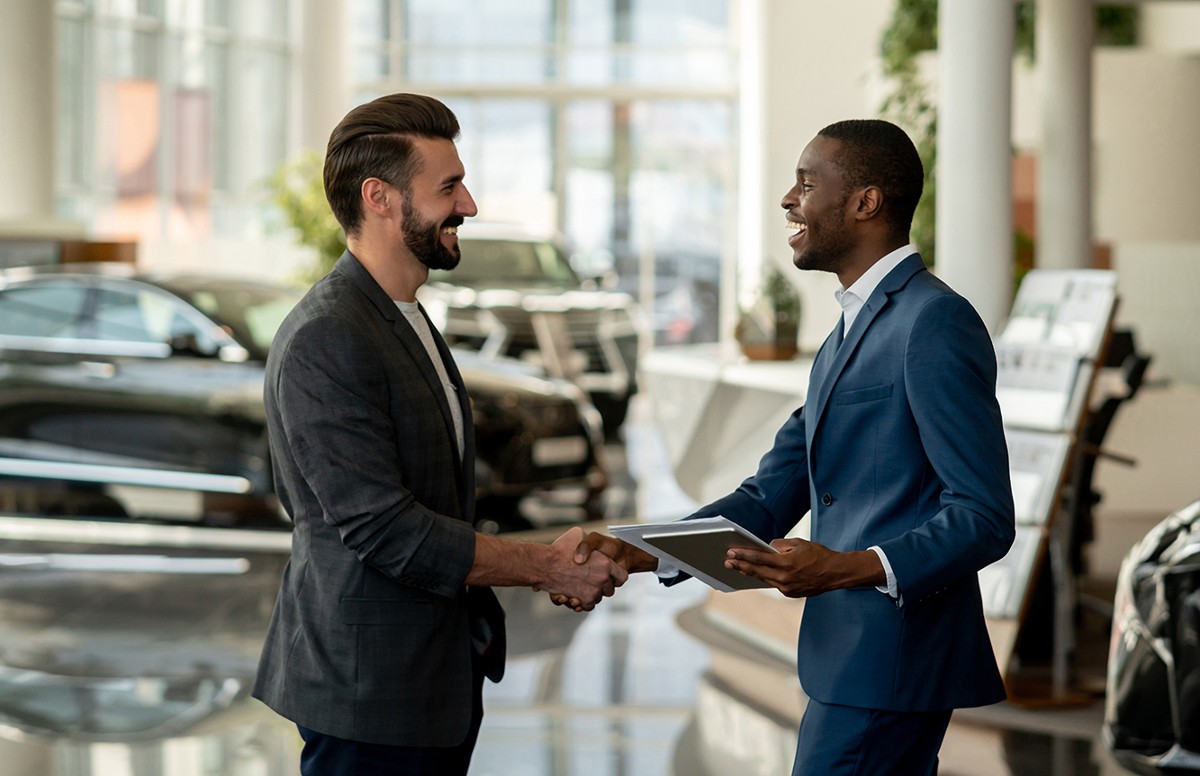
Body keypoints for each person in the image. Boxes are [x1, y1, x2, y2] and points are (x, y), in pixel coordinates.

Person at [565, 119, 1016, 775]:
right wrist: (631, 550)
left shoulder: (933, 321)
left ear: (865, 202)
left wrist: (846, 567)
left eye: (807, 183)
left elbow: (983, 516)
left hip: (892, 661)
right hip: (851, 664)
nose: (787, 198)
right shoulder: (848, 329)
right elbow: (768, 497)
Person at [252, 92, 627, 776]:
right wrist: (547, 565)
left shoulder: (406, 316)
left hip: (431, 683)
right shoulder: (327, 337)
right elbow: (385, 529)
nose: (470, 205)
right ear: (381, 198)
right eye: (448, 187)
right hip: (369, 696)